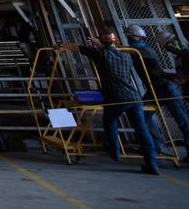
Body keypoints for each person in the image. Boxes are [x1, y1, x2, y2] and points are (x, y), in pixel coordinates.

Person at [59, 29, 158, 174]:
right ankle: (152, 163)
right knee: (142, 129)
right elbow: (112, 54)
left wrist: (60, 45)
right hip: (134, 96)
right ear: (115, 41)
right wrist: (101, 45)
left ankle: (114, 152)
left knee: (110, 121)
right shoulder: (127, 56)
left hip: (115, 97)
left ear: (100, 41)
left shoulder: (100, 54)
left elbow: (75, 47)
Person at [130, 25, 189, 161]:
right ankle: (155, 145)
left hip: (166, 89)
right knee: (142, 115)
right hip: (155, 89)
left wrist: (163, 74)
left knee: (182, 121)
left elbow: (181, 78)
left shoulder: (146, 50)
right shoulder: (179, 58)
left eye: (169, 44)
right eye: (166, 45)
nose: (168, 47)